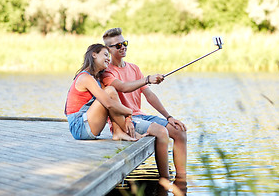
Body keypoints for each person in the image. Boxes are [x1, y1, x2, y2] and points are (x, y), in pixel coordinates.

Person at [101, 28, 187, 180]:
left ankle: (181, 180)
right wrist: (147, 78)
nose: (123, 47)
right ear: (108, 49)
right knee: (161, 132)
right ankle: (165, 181)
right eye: (118, 45)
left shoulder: (134, 68)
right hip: (124, 120)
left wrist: (169, 117)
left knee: (179, 131)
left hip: (141, 116)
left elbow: (149, 95)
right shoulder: (107, 72)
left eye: (124, 43)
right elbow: (123, 87)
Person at [64, 43, 141, 141]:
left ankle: (118, 132)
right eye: (105, 55)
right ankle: (131, 133)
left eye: (108, 56)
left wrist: (127, 116)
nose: (108, 59)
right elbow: (108, 104)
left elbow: (111, 105)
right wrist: (129, 113)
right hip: (79, 127)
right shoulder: (85, 77)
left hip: (87, 124)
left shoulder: (96, 80)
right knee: (109, 91)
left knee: (110, 91)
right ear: (94, 54)